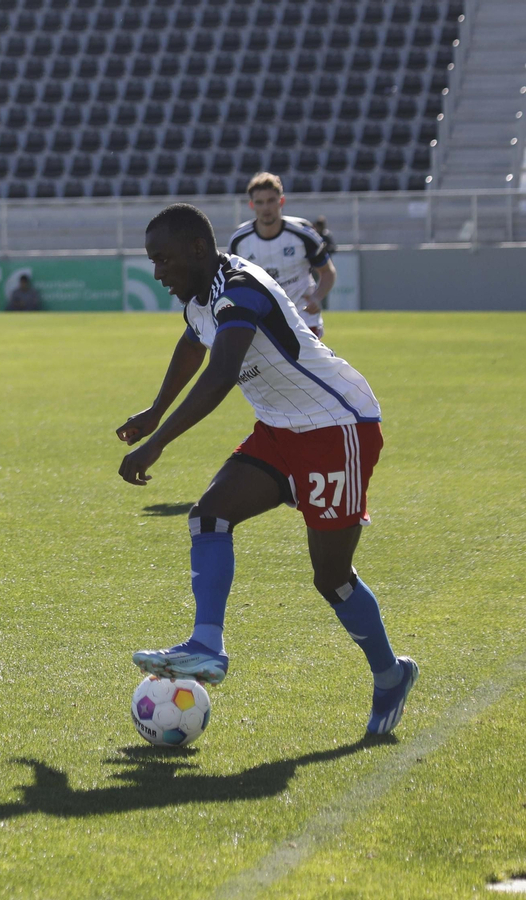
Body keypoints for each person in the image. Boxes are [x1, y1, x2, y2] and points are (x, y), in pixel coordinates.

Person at [116, 203, 416, 736]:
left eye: (162, 260)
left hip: (334, 427)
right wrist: (154, 410)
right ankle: (206, 644)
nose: (157, 272)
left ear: (195, 249)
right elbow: (193, 343)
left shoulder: (240, 287)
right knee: (208, 515)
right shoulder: (201, 297)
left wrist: (157, 444)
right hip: (280, 430)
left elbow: (220, 374)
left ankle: (391, 675)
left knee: (332, 578)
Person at [228, 172, 334, 338]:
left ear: (281, 201)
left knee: (304, 362)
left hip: (303, 318)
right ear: (251, 205)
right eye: (260, 202)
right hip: (262, 320)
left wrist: (316, 297)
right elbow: (231, 280)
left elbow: (327, 272)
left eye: (271, 201)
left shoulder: (303, 234)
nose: (266, 208)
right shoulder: (239, 240)